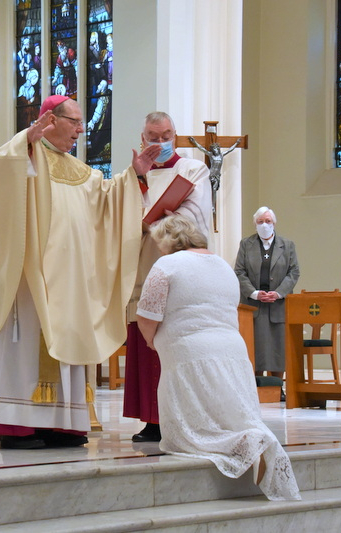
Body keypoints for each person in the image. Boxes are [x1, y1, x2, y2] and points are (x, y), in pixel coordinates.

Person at [0, 94, 160, 449]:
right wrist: (25, 141)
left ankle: (61, 425)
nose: (80, 129)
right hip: (30, 278)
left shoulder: (81, 171)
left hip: (71, 280)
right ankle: (19, 427)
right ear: (49, 120)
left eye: (80, 122)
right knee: (28, 345)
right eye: (74, 121)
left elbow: (107, 201)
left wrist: (133, 176)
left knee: (67, 343)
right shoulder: (25, 155)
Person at [135, 214, 300, 501]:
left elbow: (148, 315)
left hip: (188, 350)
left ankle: (241, 444)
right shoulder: (223, 265)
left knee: (198, 427)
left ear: (170, 239)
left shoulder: (167, 265)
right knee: (229, 411)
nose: (158, 248)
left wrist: (151, 340)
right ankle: (250, 439)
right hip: (232, 350)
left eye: (159, 242)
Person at [123, 111, 213, 443]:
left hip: (177, 268)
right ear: (141, 137)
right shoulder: (131, 175)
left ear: (175, 134)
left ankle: (180, 416)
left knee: (174, 342)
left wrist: (154, 222)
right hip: (142, 269)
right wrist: (138, 180)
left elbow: (194, 215)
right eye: (152, 136)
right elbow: (117, 211)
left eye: (166, 135)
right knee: (147, 345)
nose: (160, 142)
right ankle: (151, 418)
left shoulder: (193, 170)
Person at [234, 207, 300, 382]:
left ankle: (277, 385)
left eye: (268, 221)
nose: (264, 225)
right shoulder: (246, 245)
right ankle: (255, 384)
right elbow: (239, 272)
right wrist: (254, 293)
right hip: (253, 305)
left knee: (278, 347)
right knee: (255, 346)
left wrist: (278, 293)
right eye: (260, 222)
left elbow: (293, 272)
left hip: (277, 304)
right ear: (255, 224)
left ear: (274, 223)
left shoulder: (287, 245)